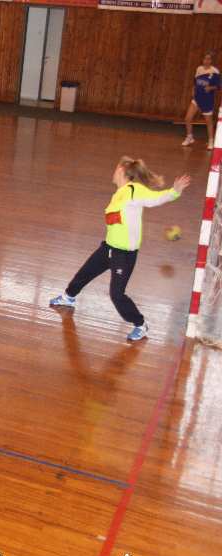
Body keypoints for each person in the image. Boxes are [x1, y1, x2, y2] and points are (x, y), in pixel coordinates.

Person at [50, 157, 191, 341]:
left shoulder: (133, 190)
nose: (114, 171)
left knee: (116, 295)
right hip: (108, 248)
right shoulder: (119, 193)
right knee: (84, 273)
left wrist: (174, 191)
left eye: (116, 168)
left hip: (123, 255)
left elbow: (155, 199)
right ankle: (68, 297)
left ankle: (140, 324)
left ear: (123, 172)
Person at [182, 52, 220, 149]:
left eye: (208, 59)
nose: (206, 61)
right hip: (197, 99)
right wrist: (193, 90)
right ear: (202, 60)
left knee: (209, 122)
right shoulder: (199, 69)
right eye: (205, 59)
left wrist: (211, 88)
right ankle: (189, 137)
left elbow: (219, 86)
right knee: (188, 118)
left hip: (207, 100)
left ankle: (211, 141)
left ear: (211, 60)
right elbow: (195, 82)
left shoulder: (215, 71)